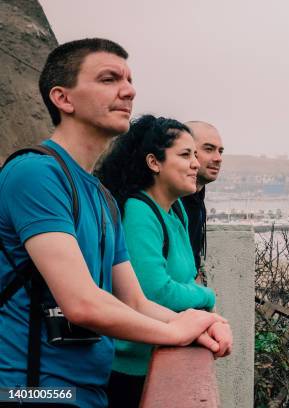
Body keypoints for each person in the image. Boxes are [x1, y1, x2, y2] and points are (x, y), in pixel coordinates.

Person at [0, 38, 230, 408]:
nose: (129, 90)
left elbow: (135, 300)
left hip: (89, 391)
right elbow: (82, 304)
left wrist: (197, 322)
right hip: (32, 391)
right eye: (109, 79)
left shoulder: (103, 198)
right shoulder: (36, 173)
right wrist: (174, 331)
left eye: (129, 79)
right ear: (63, 98)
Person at [96, 115, 224, 407]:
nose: (196, 163)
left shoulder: (175, 208)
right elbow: (153, 291)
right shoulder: (139, 213)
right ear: (154, 163)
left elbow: (185, 276)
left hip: (155, 355)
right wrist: (207, 296)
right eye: (185, 154)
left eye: (195, 155)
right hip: (127, 371)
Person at [181, 121, 224, 276]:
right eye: (209, 149)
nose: (218, 158)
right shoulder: (172, 202)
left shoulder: (197, 198)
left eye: (220, 151)